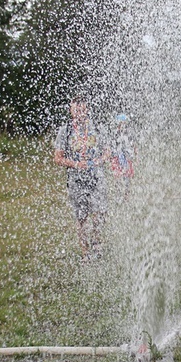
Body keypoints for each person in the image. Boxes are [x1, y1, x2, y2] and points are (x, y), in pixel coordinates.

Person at [54, 95, 109, 260]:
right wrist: (75, 164)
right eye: (76, 109)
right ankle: (85, 252)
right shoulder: (66, 130)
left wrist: (99, 160)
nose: (79, 112)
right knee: (81, 217)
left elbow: (107, 151)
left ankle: (97, 244)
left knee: (100, 213)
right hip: (76, 180)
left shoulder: (98, 128)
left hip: (96, 177)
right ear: (71, 111)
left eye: (82, 109)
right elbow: (57, 158)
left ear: (88, 110)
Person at [111, 113, 135, 200]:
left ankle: (126, 195)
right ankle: (118, 193)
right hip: (117, 157)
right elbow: (112, 146)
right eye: (121, 123)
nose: (122, 125)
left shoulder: (128, 133)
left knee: (127, 176)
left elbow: (132, 145)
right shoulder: (115, 133)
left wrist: (133, 154)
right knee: (118, 177)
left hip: (127, 157)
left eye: (124, 123)